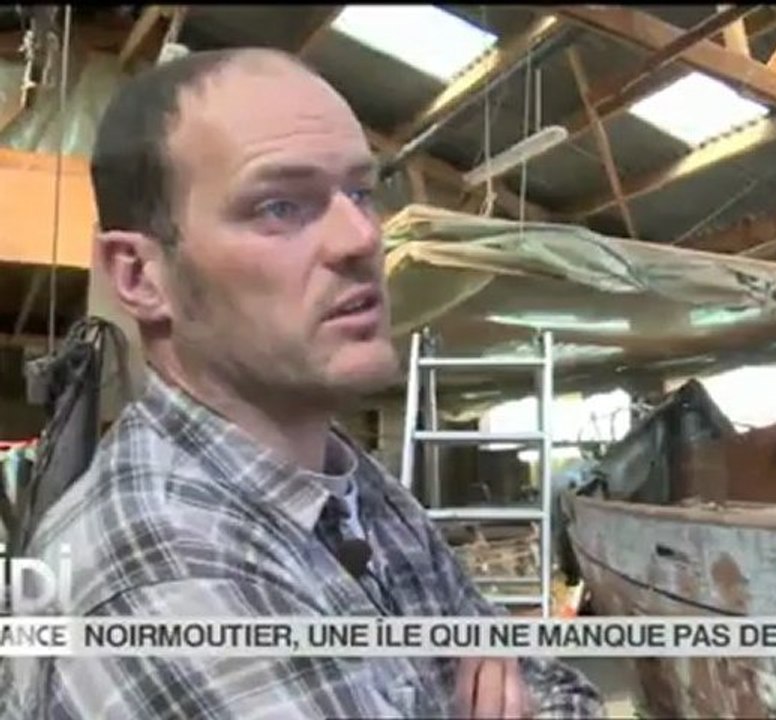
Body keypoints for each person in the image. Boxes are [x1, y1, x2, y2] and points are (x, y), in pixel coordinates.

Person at [10, 48, 605, 719]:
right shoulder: (168, 581)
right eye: (280, 206)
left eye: (359, 192)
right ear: (139, 277)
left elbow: (559, 690)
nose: (360, 239)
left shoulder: (353, 489)